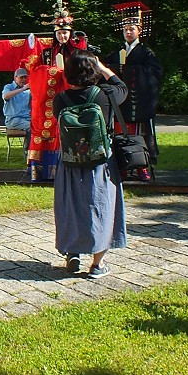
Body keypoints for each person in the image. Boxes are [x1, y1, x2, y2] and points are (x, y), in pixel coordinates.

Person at [52, 50, 128, 279]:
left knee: (71, 207)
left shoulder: (60, 99)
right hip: (100, 162)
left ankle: (72, 254)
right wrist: (104, 68)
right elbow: (122, 88)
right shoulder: (104, 95)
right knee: (101, 206)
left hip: (70, 162)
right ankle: (98, 264)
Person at [28, 0, 90, 182]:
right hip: (47, 99)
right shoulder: (47, 53)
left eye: (65, 33)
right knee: (42, 131)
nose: (62, 36)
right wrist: (51, 72)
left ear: (70, 33)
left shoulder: (77, 53)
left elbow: (85, 73)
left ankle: (67, 169)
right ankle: (41, 172)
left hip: (70, 97)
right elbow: (34, 72)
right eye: (59, 33)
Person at [101, 8, 163, 181]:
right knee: (119, 133)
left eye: (131, 29)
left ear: (139, 31)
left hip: (139, 101)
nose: (128, 32)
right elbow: (105, 70)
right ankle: (122, 165)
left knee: (140, 133)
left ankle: (141, 166)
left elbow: (155, 72)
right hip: (121, 102)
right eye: (125, 29)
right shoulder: (117, 52)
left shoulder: (146, 53)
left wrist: (129, 71)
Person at [1, 67, 31, 133]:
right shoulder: (8, 87)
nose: (23, 79)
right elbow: (6, 96)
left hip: (27, 119)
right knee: (33, 127)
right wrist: (22, 89)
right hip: (13, 120)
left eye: (25, 77)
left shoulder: (28, 90)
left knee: (40, 125)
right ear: (15, 78)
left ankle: (28, 143)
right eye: (21, 77)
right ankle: (29, 143)